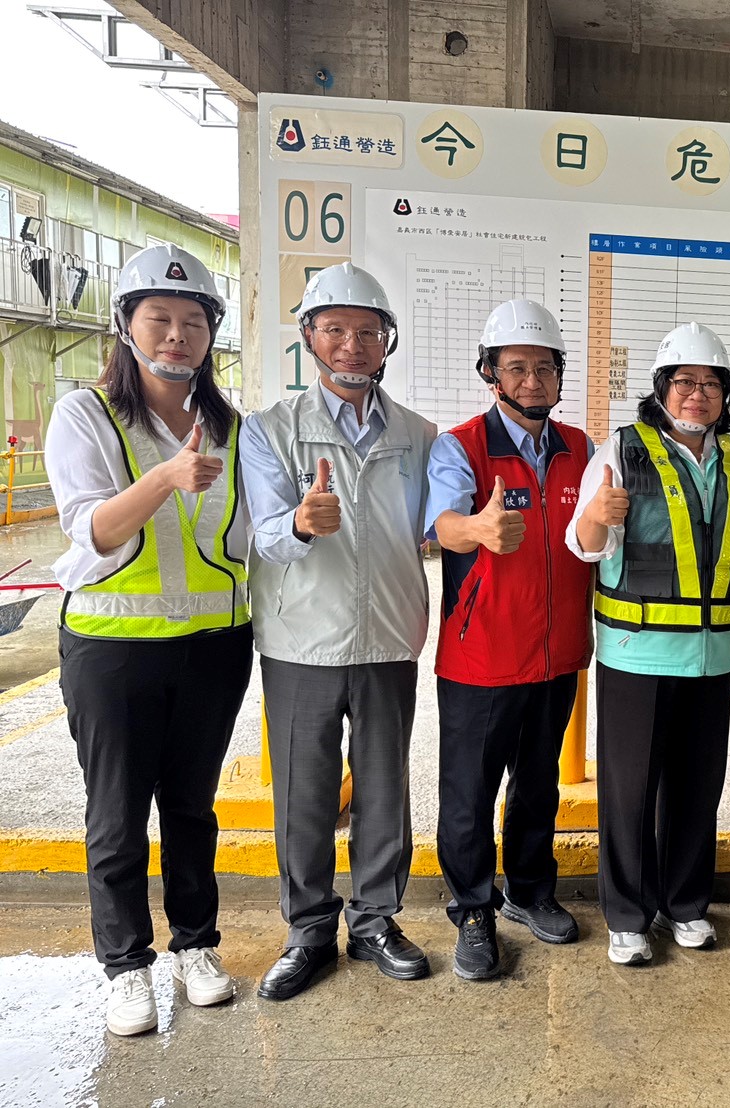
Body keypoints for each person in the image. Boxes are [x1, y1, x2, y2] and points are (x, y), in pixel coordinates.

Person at [47, 243, 251, 1035]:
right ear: (126, 326)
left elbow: (248, 535)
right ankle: (126, 965)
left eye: (193, 321)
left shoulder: (230, 427)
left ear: (211, 334)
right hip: (114, 648)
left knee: (192, 809)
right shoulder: (86, 414)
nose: (176, 335)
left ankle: (196, 946)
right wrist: (164, 477)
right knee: (117, 813)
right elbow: (93, 530)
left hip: (214, 646)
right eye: (158, 318)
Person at [242, 262, 437, 1000]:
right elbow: (265, 535)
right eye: (335, 329)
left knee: (385, 788)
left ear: (387, 341)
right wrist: (299, 522)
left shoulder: (418, 435)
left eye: (367, 331)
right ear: (308, 337)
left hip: (389, 635)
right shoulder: (272, 430)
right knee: (305, 794)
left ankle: (377, 922)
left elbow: (435, 526)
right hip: (302, 641)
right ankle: (308, 930)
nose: (352, 345)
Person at [568, 322, 730, 965]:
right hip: (638, 653)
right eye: (684, 381)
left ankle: (686, 905)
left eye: (711, 384)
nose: (697, 394)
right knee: (629, 791)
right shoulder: (622, 450)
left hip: (709, 655)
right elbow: (583, 545)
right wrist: (597, 516)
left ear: (725, 394)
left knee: (696, 789)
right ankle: (628, 916)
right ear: (661, 388)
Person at [426, 298, 593, 980]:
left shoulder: (580, 449)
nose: (532, 380)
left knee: (538, 785)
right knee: (469, 795)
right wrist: (477, 529)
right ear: (490, 374)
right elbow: (442, 524)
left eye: (544, 368)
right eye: (517, 367)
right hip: (482, 658)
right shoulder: (462, 446)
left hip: (556, 655)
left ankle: (529, 891)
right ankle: (472, 910)